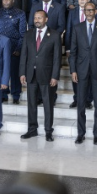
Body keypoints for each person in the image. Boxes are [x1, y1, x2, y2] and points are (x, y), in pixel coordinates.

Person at [69, 2, 97, 145]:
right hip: (81, 70)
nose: (88, 13)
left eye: (91, 10)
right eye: (86, 10)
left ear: (95, 11)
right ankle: (80, 134)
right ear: (84, 12)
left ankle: (96, 135)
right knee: (81, 103)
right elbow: (73, 52)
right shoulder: (77, 28)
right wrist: (73, 70)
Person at [19, 10, 61, 142]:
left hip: (47, 75)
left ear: (46, 19)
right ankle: (32, 129)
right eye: (35, 18)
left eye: (39, 18)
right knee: (31, 103)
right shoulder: (28, 34)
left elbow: (57, 58)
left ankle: (48, 131)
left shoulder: (54, 35)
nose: (36, 20)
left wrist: (55, 76)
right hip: (31, 74)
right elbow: (24, 55)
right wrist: (22, 72)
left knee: (48, 104)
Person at [65, 0, 97, 108]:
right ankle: (77, 98)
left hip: (90, 50)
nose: (82, 0)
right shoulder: (72, 12)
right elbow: (68, 30)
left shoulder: (95, 12)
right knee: (75, 74)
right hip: (75, 50)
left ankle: (88, 100)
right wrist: (68, 48)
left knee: (89, 74)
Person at [0, 0, 27, 104]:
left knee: (14, 72)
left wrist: (18, 48)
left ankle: (16, 94)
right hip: (0, 48)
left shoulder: (20, 13)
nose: (6, 1)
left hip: (14, 47)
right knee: (1, 72)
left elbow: (23, 33)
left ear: (13, 1)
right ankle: (3, 93)